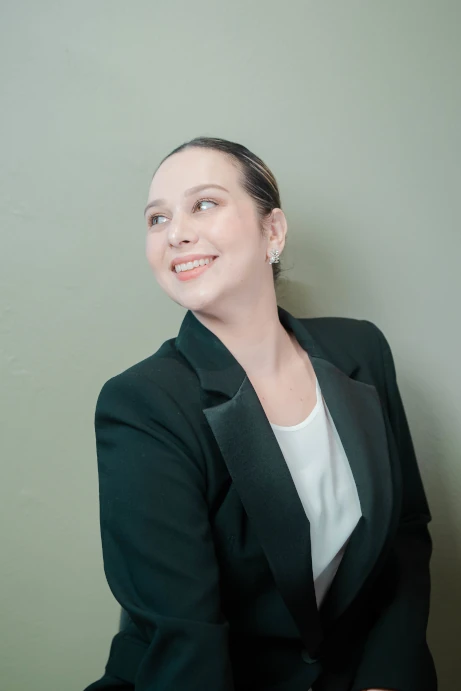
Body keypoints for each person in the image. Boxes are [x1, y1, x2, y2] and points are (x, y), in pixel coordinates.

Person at [84, 136, 437, 691]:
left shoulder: (361, 351)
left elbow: (405, 535)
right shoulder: (142, 404)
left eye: (204, 203)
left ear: (272, 231)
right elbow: (187, 644)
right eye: (157, 218)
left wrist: (383, 682)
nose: (175, 233)